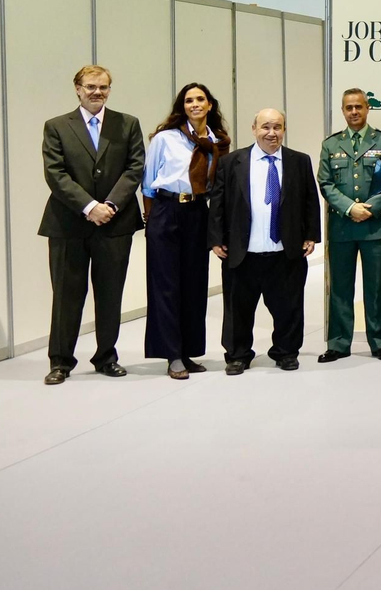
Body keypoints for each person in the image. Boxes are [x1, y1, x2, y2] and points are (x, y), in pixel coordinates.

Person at [38, 65, 146, 385]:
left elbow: (134, 167)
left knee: (110, 294)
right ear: (77, 89)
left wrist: (109, 205)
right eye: (90, 87)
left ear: (110, 90)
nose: (97, 92)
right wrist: (89, 207)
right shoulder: (56, 126)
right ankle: (60, 361)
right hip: (68, 224)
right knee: (67, 296)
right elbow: (55, 174)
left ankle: (106, 357)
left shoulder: (127, 124)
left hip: (115, 223)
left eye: (103, 87)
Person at [208, 109, 321, 373]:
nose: (272, 133)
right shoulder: (232, 162)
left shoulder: (299, 161)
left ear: (284, 129)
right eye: (266, 127)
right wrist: (215, 239)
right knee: (238, 310)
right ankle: (238, 354)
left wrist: (311, 235)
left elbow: (310, 202)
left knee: (288, 308)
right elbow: (218, 205)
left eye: (278, 127)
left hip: (285, 252)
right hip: (242, 252)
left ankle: (286, 352)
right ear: (254, 128)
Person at [142, 82, 230, 380]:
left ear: (209, 105)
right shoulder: (165, 139)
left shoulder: (217, 141)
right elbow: (148, 182)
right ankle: (172, 354)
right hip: (166, 211)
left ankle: (189, 350)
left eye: (200, 99)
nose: (195, 104)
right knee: (166, 286)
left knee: (194, 285)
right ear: (183, 106)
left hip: (196, 213)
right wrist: (151, 221)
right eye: (189, 100)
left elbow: (218, 186)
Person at [317, 88, 381, 363]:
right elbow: (326, 183)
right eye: (348, 107)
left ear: (367, 108)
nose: (354, 112)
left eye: (359, 107)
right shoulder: (331, 145)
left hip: (373, 226)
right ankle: (339, 343)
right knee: (340, 287)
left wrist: (370, 208)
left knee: (376, 287)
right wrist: (350, 207)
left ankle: (379, 343)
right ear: (342, 111)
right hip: (341, 227)